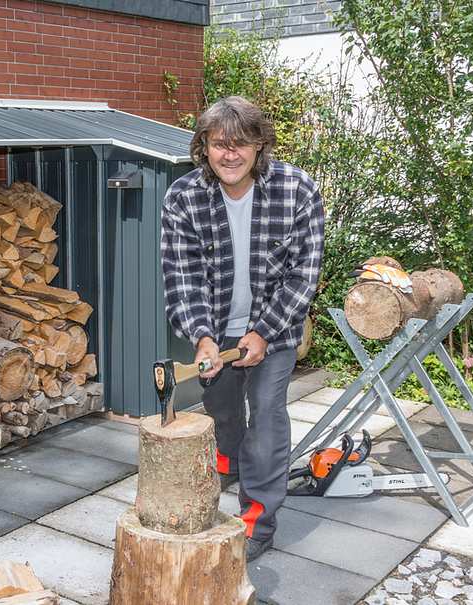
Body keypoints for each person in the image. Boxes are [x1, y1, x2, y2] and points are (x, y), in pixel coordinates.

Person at [160, 96, 324, 561]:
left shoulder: (296, 190)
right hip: (215, 331)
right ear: (204, 148)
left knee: (266, 417)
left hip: (276, 328)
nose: (229, 154)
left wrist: (264, 332)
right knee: (222, 412)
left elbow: (304, 275)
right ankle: (228, 463)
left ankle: (257, 522)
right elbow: (182, 276)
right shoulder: (183, 197)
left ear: (259, 146)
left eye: (240, 144)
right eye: (219, 144)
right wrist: (203, 337)